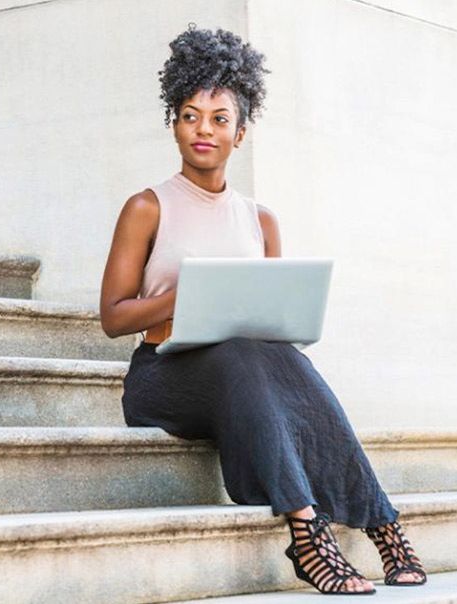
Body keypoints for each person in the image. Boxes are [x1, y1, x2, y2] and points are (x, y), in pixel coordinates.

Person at [99, 23, 427, 595]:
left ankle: (382, 524)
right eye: (190, 116)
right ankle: (310, 532)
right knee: (243, 357)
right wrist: (190, 295)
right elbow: (113, 317)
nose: (204, 130)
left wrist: (246, 311)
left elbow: (275, 320)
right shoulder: (147, 207)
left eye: (219, 118)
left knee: (264, 355)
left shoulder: (261, 219)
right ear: (174, 123)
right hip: (163, 376)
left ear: (241, 133)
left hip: (243, 375)